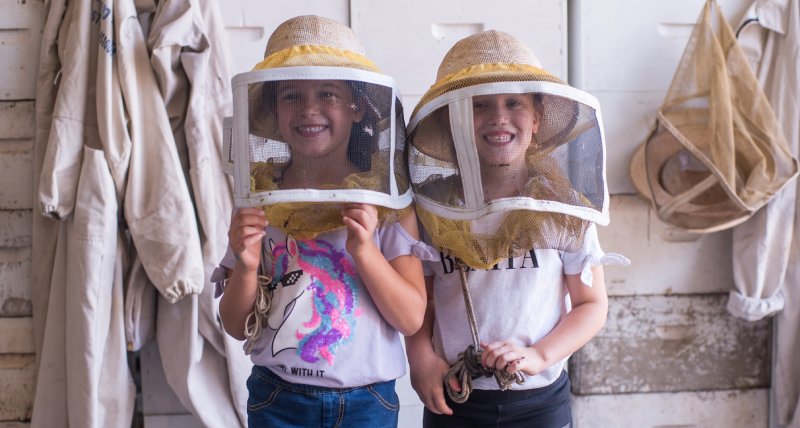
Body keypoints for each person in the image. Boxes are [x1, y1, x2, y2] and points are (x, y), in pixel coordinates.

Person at [405, 30, 626, 428]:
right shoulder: (431, 208)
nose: (498, 117)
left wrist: (541, 355)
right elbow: (422, 302)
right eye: (479, 105)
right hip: (455, 395)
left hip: (540, 402)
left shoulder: (562, 205)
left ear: (537, 118)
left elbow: (592, 305)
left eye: (514, 103)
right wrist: (420, 358)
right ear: (452, 120)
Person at [213, 15, 426, 427]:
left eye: (327, 93)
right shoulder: (260, 199)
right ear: (272, 111)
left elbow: (411, 317)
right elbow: (237, 326)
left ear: (357, 105)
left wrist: (365, 251)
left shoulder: (387, 202)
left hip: (367, 402)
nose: (309, 109)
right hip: (278, 398)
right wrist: (246, 264)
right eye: (291, 95)